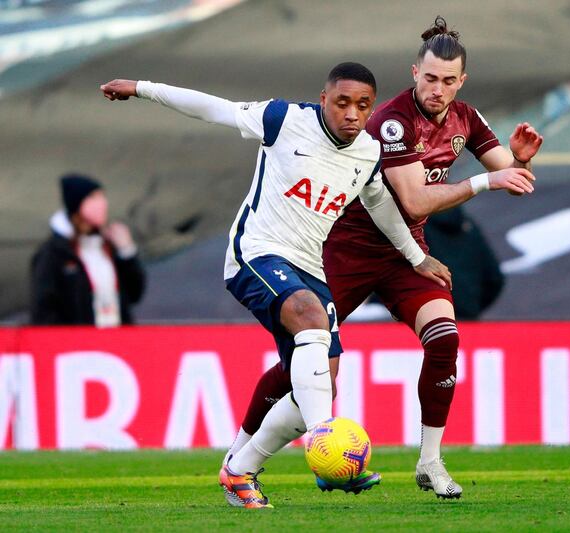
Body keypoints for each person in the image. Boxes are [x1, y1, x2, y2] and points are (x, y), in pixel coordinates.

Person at [100, 62, 450, 509]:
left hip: (311, 269)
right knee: (309, 325)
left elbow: (381, 205)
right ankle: (329, 452)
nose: (352, 114)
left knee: (319, 384)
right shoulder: (284, 120)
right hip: (257, 253)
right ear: (324, 99)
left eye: (363, 105)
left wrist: (418, 258)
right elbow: (214, 109)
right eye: (342, 102)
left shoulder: (367, 151)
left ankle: (240, 470)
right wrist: (142, 88)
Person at [228, 16, 542, 499]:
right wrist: (486, 180)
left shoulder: (467, 118)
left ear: (462, 82)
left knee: (444, 339)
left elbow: (511, 175)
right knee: (305, 361)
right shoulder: (391, 121)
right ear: (415, 72)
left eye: (448, 81)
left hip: (407, 256)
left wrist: (519, 161)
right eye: (430, 78)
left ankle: (430, 462)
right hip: (347, 248)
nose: (438, 90)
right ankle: (243, 452)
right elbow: (414, 202)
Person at [30, 174, 146, 327]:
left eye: (102, 197)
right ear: (77, 206)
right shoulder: (54, 253)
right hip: (79, 346)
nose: (101, 203)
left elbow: (134, 293)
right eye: (92, 197)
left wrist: (127, 252)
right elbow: (43, 308)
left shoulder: (107, 246)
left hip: (116, 339)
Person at [423, 206, 504, 319]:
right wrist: (471, 304)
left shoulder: (416, 228)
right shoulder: (467, 225)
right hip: (467, 313)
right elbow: (494, 277)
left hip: (428, 313)